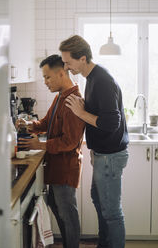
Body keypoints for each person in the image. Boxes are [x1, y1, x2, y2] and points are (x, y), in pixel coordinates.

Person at [59, 35, 129, 248]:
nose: (66, 66)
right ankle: (105, 244)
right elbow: (101, 113)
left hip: (110, 156)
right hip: (102, 154)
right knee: (99, 201)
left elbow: (111, 123)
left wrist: (81, 112)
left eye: (68, 62)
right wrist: (84, 107)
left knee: (112, 212)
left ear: (82, 58)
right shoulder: (92, 78)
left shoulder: (102, 80)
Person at [16, 54, 85, 248]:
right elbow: (46, 123)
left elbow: (70, 142)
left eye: (47, 77)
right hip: (56, 167)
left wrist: (40, 145)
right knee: (57, 207)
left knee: (67, 214)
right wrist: (29, 125)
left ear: (61, 73)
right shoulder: (60, 98)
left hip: (65, 169)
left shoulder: (73, 101)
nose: (45, 82)